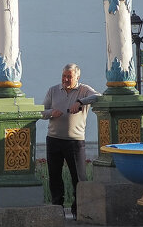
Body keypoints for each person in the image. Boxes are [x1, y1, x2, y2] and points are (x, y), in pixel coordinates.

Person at [41, 63, 100, 218]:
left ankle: (78, 209)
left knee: (78, 177)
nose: (65, 79)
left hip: (74, 141)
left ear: (77, 77)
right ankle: (57, 208)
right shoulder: (53, 90)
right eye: (64, 76)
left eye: (69, 76)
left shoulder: (84, 90)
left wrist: (80, 102)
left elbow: (98, 96)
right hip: (53, 139)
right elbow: (41, 111)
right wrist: (51, 112)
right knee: (54, 175)